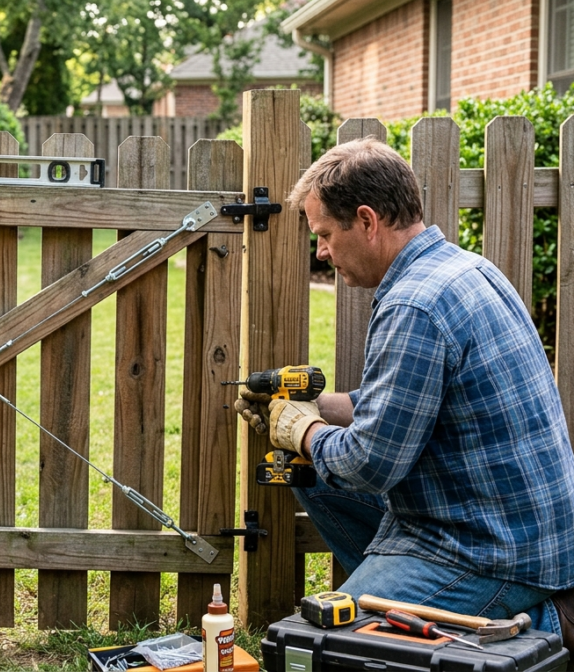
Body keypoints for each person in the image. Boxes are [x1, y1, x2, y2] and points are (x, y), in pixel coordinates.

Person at [236, 137, 574, 647]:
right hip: (498, 521)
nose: (322, 252)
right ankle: (399, 590)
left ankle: (547, 625)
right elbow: (397, 407)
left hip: (490, 549)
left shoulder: (415, 305)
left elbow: (370, 465)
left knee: (324, 644)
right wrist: (315, 406)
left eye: (325, 234)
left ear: (367, 221)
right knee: (309, 473)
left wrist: (303, 429)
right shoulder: (464, 269)